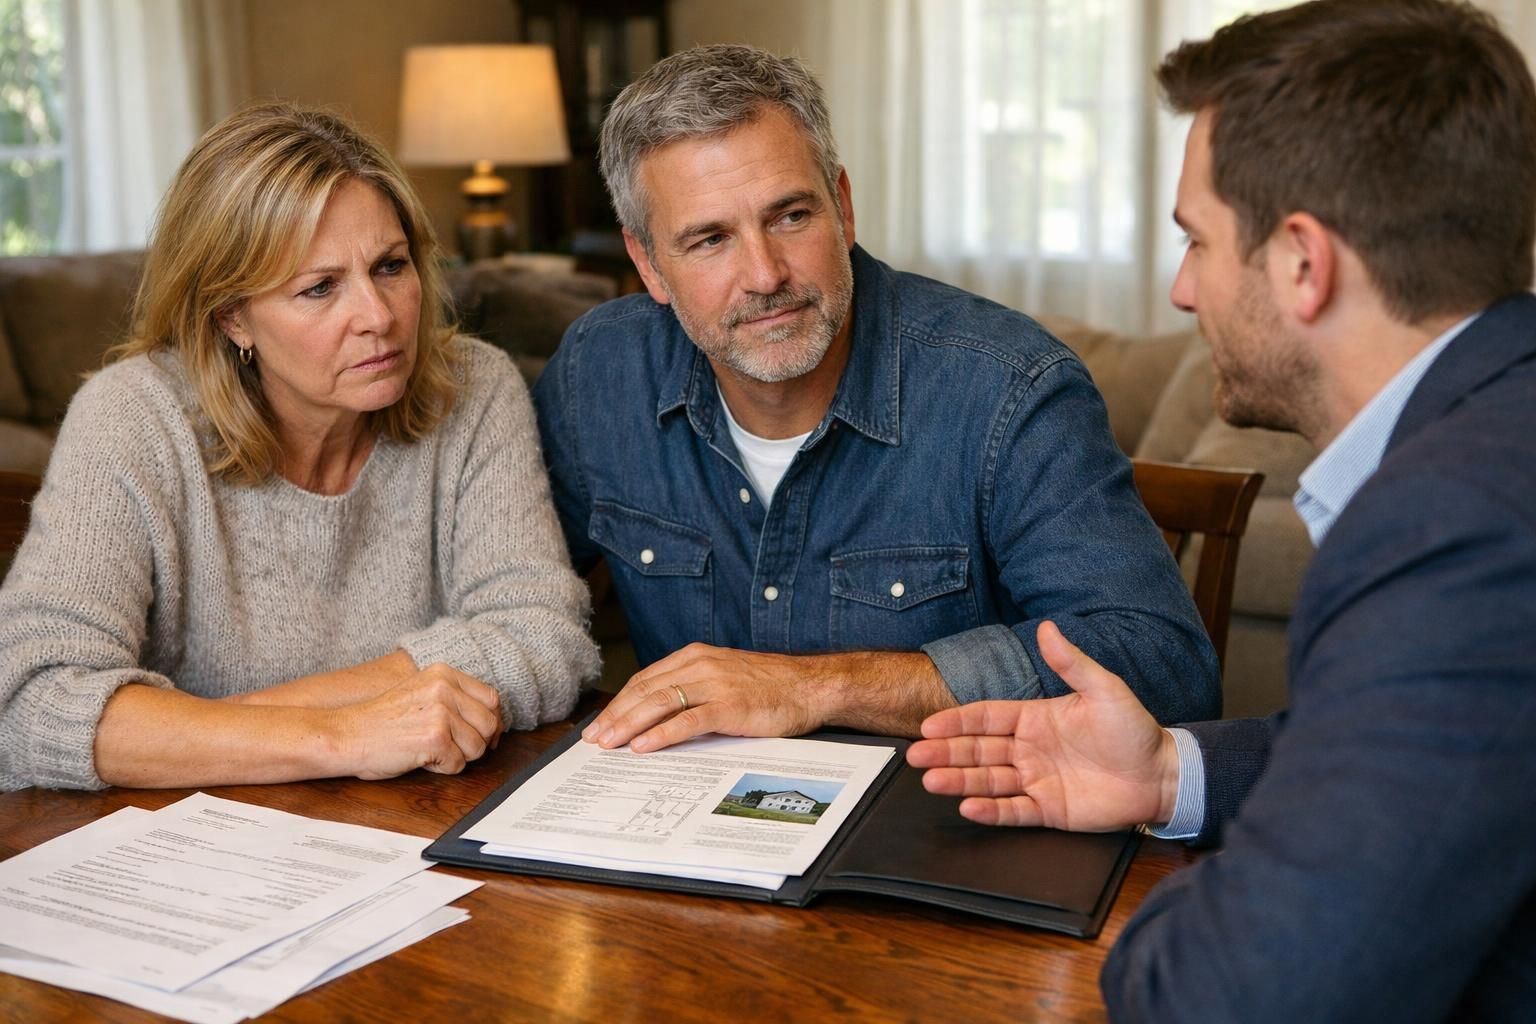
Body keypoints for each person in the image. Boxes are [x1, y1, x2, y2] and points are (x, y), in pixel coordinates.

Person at [908, 1, 1536, 1019]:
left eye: (1197, 241)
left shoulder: (1452, 526)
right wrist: (1169, 772)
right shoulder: (1498, 433)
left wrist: (1158, 921)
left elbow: (1235, 992)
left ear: (1302, 262)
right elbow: (1413, 750)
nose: (1181, 290)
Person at [535, 45, 1220, 755]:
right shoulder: (600, 373)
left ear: (843, 206)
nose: (765, 275)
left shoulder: (1007, 387)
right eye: (710, 239)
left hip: (941, 808)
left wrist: (818, 687)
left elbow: (1163, 665)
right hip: (676, 813)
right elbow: (516, 592)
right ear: (648, 263)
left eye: (790, 216)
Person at [0, 104, 600, 791]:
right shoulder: (133, 416)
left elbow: (543, 635)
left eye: (390, 265)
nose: (379, 316)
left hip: (408, 823)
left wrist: (187, 731)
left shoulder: (473, 387)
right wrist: (345, 735)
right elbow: (28, 704)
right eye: (319, 288)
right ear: (233, 317)